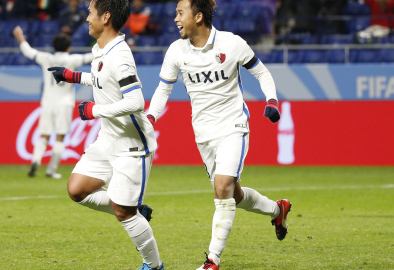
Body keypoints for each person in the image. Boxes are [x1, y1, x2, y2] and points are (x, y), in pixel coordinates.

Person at [146, 0, 291, 269]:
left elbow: (262, 72)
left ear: (198, 16)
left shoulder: (231, 43)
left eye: (181, 13)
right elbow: (163, 89)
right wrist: (151, 116)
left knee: (222, 188)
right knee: (231, 194)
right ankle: (277, 209)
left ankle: (212, 260)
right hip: (203, 133)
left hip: (233, 126)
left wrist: (271, 100)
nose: (175, 18)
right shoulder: (177, 50)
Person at [47, 0, 164, 269]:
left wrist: (94, 110)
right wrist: (72, 76)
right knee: (77, 190)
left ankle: (154, 265)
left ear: (106, 17)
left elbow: (136, 102)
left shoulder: (120, 55)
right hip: (107, 140)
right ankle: (135, 210)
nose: (87, 18)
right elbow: (100, 78)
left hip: (131, 146)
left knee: (124, 213)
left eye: (90, 13)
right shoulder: (101, 49)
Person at [13, 25, 93, 179]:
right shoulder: (72, 59)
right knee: (60, 136)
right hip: (65, 103)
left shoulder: (46, 58)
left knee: (44, 135)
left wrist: (20, 36)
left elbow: (28, 51)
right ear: (68, 48)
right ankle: (51, 170)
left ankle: (35, 161)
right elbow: (91, 56)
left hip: (48, 102)